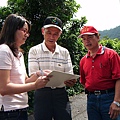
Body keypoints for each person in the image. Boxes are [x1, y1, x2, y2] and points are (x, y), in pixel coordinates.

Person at [0, 14, 50, 120]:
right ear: (12, 29)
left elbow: (24, 81)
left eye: (27, 32)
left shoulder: (19, 54)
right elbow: (4, 88)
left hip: (21, 109)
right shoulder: (4, 50)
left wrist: (38, 74)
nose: (27, 35)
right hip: (9, 112)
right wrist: (35, 86)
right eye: (24, 31)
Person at [28, 16, 77, 120]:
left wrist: (71, 81)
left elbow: (69, 74)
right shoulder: (34, 51)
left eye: (55, 34)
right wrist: (41, 74)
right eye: (49, 32)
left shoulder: (64, 52)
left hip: (60, 94)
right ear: (42, 31)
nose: (52, 37)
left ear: (60, 34)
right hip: (42, 94)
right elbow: (33, 75)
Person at [79, 26, 120, 120]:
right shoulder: (83, 60)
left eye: (90, 37)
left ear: (97, 37)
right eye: (84, 39)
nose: (87, 41)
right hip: (91, 100)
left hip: (109, 98)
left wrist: (117, 102)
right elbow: (84, 82)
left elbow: (118, 78)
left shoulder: (111, 55)